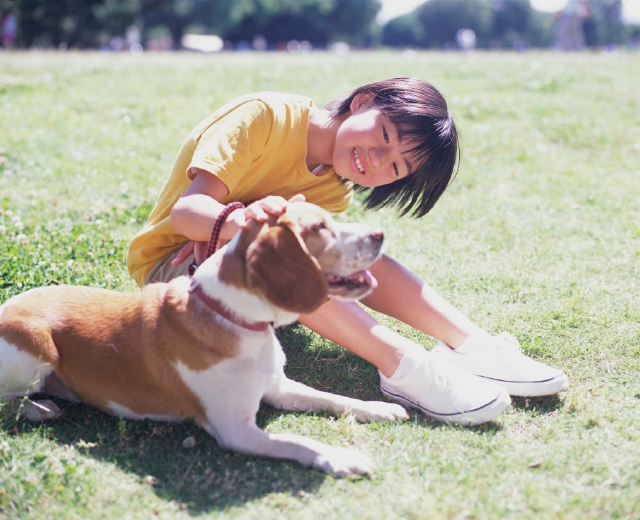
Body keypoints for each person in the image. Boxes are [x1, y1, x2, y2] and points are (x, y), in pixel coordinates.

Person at [127, 78, 569, 426]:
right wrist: (246, 224)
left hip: (240, 277)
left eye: (394, 166)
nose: (375, 160)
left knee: (359, 255)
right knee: (295, 260)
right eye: (383, 134)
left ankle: (470, 346)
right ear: (362, 102)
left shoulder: (334, 186)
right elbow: (188, 213)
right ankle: (402, 367)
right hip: (178, 272)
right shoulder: (265, 116)